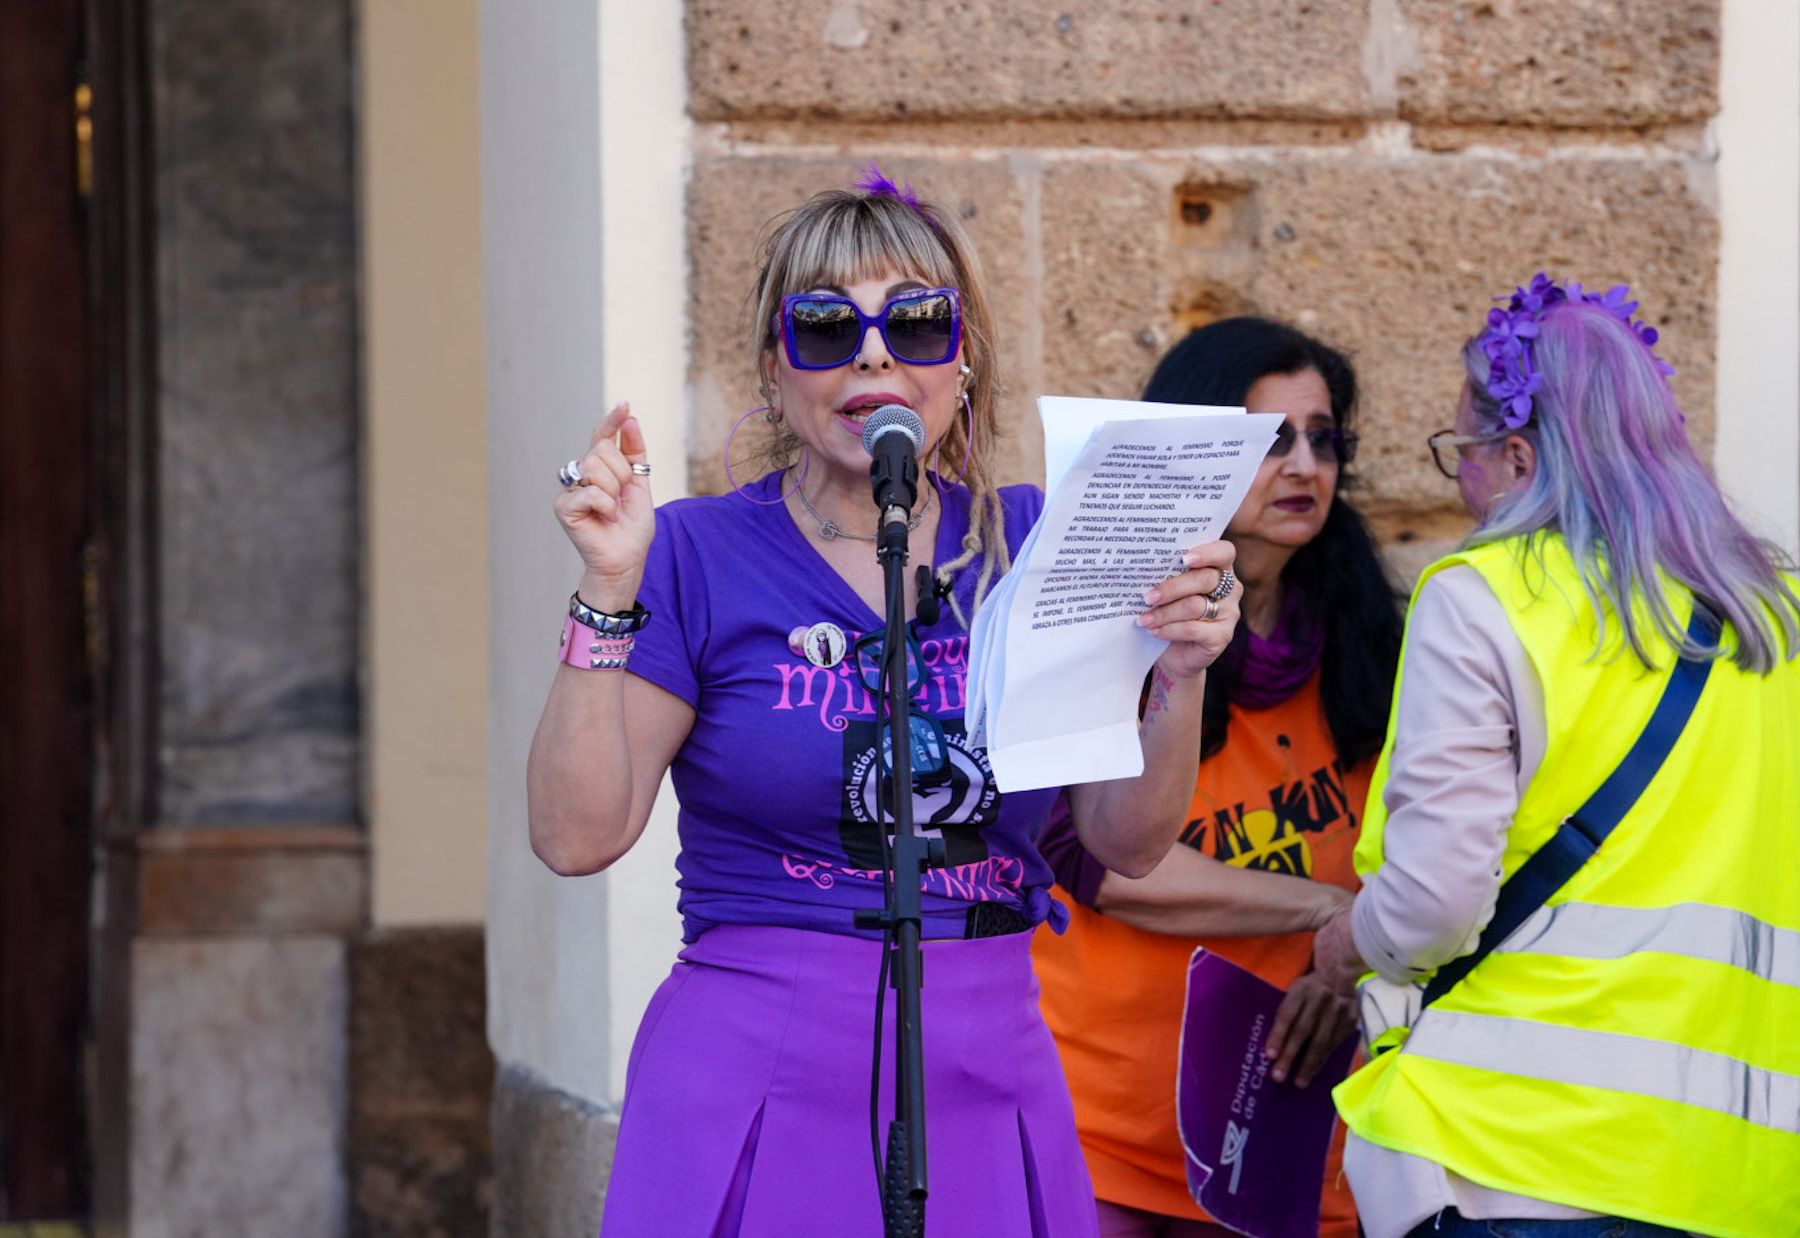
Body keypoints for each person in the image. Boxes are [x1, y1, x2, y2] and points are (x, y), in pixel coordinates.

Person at [525, 169, 1245, 1237]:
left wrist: (1178, 672)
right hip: (756, 1061)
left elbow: (1124, 842)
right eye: (824, 327)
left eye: (914, 322)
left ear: (963, 361)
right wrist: (606, 589)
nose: (872, 353)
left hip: (983, 1055)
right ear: (775, 372)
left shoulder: (1035, 538)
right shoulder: (697, 551)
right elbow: (576, 836)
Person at [1311, 273, 1800, 1238]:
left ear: (1520, 455)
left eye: (1462, 452)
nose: (1461, 482)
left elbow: (1435, 905)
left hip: (1513, 1156)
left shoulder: (1486, 597)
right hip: (1740, 1180)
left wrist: (1347, 945)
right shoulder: (1775, 620)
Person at [1033, 318, 1405, 1238]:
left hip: (1274, 1128)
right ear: (1192, 450)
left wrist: (1357, 956)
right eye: (1270, 439)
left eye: (1325, 439)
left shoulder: (1373, 640)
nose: (1305, 466)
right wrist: (1332, 918)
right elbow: (1116, 871)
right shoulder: (1111, 621)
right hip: (1102, 1118)